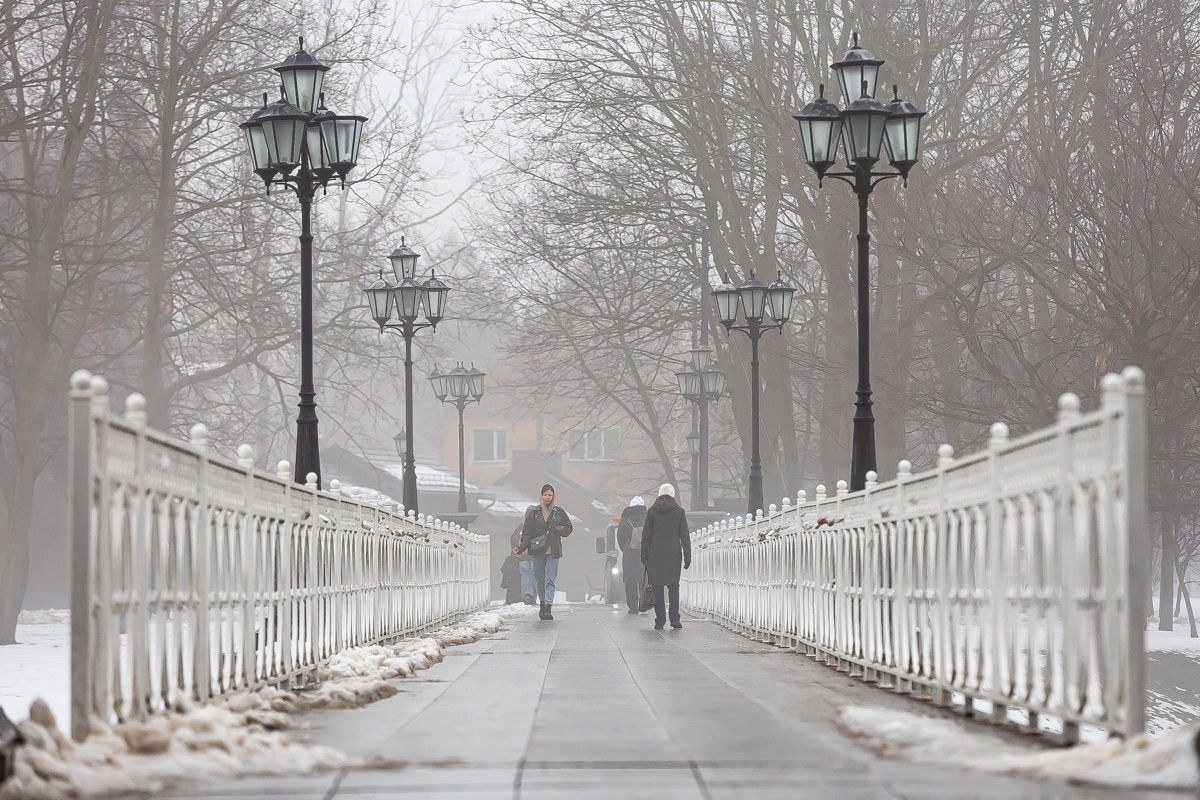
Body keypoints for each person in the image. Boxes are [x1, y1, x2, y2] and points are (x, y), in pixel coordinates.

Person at [515, 484, 573, 620]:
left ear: (553, 496)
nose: (547, 497)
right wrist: (521, 548)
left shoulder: (559, 512)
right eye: (545, 494)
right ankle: (542, 603)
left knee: (550, 580)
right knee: (540, 580)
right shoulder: (534, 513)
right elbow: (527, 533)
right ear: (541, 496)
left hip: (554, 551)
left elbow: (569, 528)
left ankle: (548, 607)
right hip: (538, 551)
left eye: (550, 495)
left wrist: (561, 529)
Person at [640, 483, 691, 630]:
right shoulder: (679, 512)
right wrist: (687, 557)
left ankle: (660, 620)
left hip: (655, 554)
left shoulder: (652, 512)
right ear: (673, 494)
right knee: (674, 587)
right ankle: (675, 619)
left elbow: (646, 536)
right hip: (673, 554)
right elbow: (685, 536)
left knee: (657, 588)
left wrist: (644, 555)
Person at [615, 496, 648, 614]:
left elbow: (620, 537)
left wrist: (625, 548)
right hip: (645, 553)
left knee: (630, 580)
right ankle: (644, 604)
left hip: (629, 553)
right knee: (644, 579)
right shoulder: (648, 518)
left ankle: (633, 607)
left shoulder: (625, 519)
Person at [509, 522, 536, 605]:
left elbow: (513, 539)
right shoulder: (538, 524)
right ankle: (534, 597)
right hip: (535, 556)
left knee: (525, 576)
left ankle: (527, 595)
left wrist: (517, 549)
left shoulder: (521, 526)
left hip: (522, 557)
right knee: (535, 577)